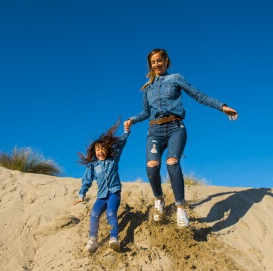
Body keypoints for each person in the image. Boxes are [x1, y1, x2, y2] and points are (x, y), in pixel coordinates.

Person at [124, 48, 238, 228]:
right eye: (153, 62)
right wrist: (132, 119)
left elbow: (198, 95)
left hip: (176, 128)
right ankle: (159, 200)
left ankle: (180, 208)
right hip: (154, 131)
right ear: (150, 65)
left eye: (159, 61)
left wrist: (222, 107)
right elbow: (146, 112)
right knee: (152, 166)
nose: (157, 64)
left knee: (171, 162)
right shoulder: (147, 89)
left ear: (166, 60)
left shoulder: (175, 78)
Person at [75, 118, 130, 253]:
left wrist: (126, 131)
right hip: (101, 195)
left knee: (111, 213)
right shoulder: (93, 166)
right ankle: (93, 240)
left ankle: (114, 239)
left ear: (107, 150)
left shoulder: (113, 159)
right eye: (97, 150)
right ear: (94, 151)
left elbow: (121, 143)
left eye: (103, 149)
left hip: (114, 192)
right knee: (94, 213)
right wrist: (82, 194)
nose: (100, 152)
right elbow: (87, 180)